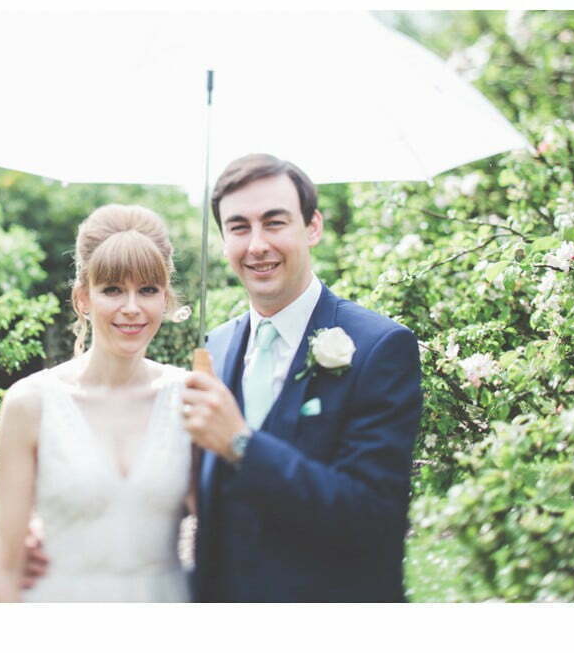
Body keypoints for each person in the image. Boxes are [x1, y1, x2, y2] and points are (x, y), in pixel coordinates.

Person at [180, 153, 423, 601]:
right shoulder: (214, 348)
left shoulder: (379, 347)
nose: (256, 245)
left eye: (274, 222)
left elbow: (371, 516)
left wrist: (241, 443)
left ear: (312, 227)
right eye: (238, 227)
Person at [0, 204, 194, 602]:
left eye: (147, 290)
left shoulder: (191, 398)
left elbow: (230, 528)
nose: (131, 307)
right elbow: (5, 563)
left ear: (165, 298)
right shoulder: (29, 404)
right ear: (83, 298)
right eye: (112, 289)